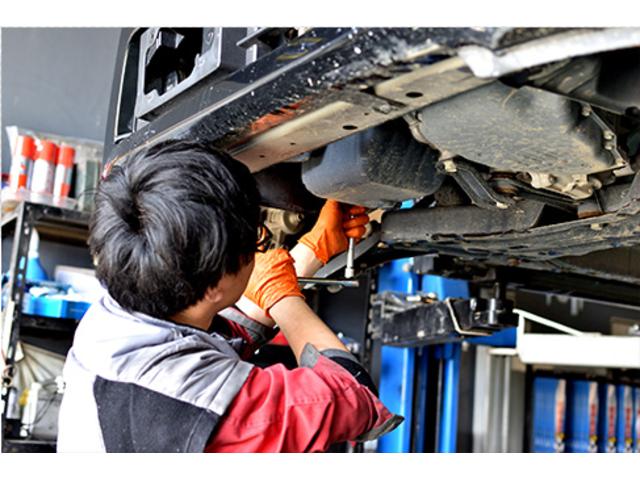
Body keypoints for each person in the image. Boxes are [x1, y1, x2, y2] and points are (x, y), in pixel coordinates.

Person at [57, 140, 402, 453]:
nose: (258, 251)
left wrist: (315, 249)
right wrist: (281, 293)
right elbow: (353, 395)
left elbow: (220, 336)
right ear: (213, 285)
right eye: (257, 242)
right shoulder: (212, 411)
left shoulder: (110, 322)